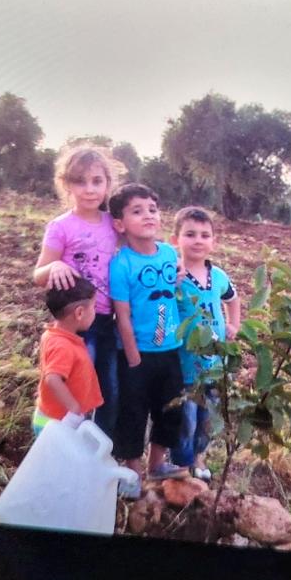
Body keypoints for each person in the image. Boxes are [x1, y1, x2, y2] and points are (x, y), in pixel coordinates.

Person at [33, 145, 121, 440]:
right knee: (71, 387)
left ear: (108, 184)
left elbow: (142, 246)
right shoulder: (60, 227)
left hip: (106, 319)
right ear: (66, 185)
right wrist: (54, 266)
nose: (89, 189)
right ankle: (59, 441)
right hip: (75, 325)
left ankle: (101, 451)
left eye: (97, 181)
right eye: (80, 181)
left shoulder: (113, 223)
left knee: (107, 389)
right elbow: (38, 274)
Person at [108, 183, 188, 481]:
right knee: (134, 412)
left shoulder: (168, 252)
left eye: (152, 210)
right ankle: (133, 470)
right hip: (136, 354)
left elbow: (175, 284)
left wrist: (178, 279)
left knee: (170, 409)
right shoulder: (121, 264)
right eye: (137, 211)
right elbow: (123, 315)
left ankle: (157, 466)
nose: (148, 216)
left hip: (170, 349)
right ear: (120, 224)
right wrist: (132, 358)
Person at [169, 206, 241, 480]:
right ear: (176, 239)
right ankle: (180, 463)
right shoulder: (174, 275)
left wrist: (234, 324)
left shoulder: (219, 276)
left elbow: (233, 299)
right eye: (190, 234)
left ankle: (199, 458)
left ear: (213, 241)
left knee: (208, 419)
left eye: (204, 235)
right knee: (185, 418)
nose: (198, 240)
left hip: (215, 365)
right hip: (184, 364)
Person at [32, 277, 102, 435]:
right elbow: (52, 378)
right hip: (56, 422)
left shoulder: (55, 335)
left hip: (54, 418)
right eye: (94, 307)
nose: (95, 312)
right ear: (79, 313)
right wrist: (74, 409)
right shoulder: (63, 346)